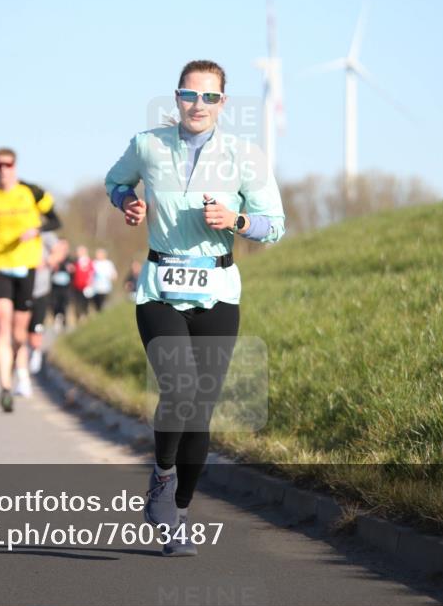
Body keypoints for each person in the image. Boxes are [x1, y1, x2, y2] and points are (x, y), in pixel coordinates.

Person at [104, 60, 285, 556]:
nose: (198, 105)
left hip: (218, 292)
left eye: (209, 97)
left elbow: (276, 224)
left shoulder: (246, 156)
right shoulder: (148, 144)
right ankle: (161, 478)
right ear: (177, 98)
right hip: (160, 288)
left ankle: (178, 512)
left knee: (200, 412)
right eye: (189, 95)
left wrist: (238, 219)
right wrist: (128, 203)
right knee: (179, 390)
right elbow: (115, 182)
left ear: (223, 103)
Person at [0, 147, 61, 412]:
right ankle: (5, 387)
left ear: (15, 166)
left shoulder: (32, 192)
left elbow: (56, 220)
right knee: (2, 322)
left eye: (8, 164)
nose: (3, 169)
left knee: (19, 332)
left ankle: (19, 368)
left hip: (27, 264)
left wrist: (37, 229)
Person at [27, 232, 67, 375]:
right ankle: (24, 354)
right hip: (20, 288)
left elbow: (60, 252)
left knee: (37, 326)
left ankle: (35, 353)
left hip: (40, 289)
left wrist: (48, 261)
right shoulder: (15, 228)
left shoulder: (46, 235)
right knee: (21, 328)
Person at [50, 239, 74, 331]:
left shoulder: (70, 259)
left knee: (64, 303)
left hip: (66, 286)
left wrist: (72, 270)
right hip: (55, 285)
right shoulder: (54, 258)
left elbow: (74, 271)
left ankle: (64, 322)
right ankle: (56, 318)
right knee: (54, 303)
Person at [70, 245, 95, 321]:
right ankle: (79, 316)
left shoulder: (89, 261)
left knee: (85, 301)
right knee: (77, 301)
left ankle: (85, 315)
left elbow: (92, 272)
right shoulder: (75, 261)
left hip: (86, 286)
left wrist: (90, 281)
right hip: (76, 285)